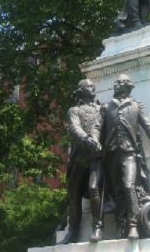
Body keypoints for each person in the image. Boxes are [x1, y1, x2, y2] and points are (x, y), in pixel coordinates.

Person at [100, 74, 150, 240]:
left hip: (129, 152)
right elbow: (98, 129)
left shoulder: (136, 106)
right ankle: (120, 225)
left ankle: (133, 225)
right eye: (115, 82)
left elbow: (149, 127)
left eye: (120, 82)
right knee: (117, 191)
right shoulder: (107, 107)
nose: (116, 84)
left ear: (128, 86)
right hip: (111, 154)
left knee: (129, 186)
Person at [57, 79, 104, 244]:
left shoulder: (102, 109)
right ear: (81, 90)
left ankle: (97, 227)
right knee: (74, 194)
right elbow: (74, 128)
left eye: (93, 86)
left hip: (96, 157)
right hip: (79, 157)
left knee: (94, 188)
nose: (93, 88)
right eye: (89, 86)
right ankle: (73, 231)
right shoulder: (74, 110)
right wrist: (86, 139)